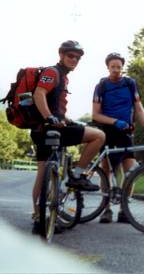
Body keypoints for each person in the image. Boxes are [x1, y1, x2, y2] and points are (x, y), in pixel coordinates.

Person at [31, 40, 105, 234]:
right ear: (61, 55)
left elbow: (54, 104)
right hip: (51, 127)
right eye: (71, 56)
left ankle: (38, 218)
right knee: (98, 136)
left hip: (42, 129)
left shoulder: (63, 76)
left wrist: (66, 118)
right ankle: (78, 175)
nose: (74, 60)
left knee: (42, 173)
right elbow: (39, 93)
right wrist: (50, 117)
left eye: (77, 58)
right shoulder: (52, 73)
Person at [92, 52, 144, 223]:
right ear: (107, 67)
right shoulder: (101, 86)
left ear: (122, 67)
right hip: (106, 132)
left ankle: (124, 209)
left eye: (119, 67)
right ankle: (106, 209)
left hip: (126, 133)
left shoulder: (129, 84)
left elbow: (139, 109)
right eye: (113, 67)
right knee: (106, 171)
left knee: (130, 171)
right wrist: (115, 122)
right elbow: (95, 115)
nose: (116, 70)